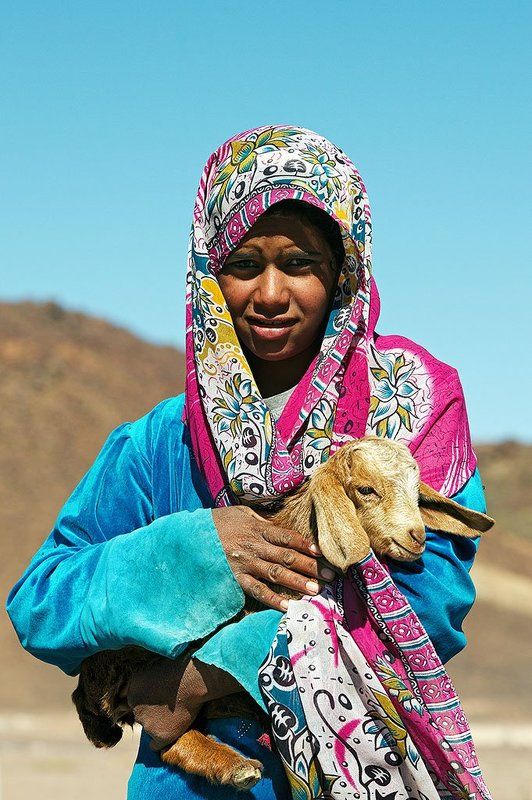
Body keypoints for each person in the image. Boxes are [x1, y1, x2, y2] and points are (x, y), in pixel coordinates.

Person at [6, 126, 487, 799]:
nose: (268, 293)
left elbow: (430, 604)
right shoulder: (159, 442)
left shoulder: (410, 411)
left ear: (344, 268)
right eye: (243, 264)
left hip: (360, 772)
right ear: (208, 272)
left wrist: (205, 677)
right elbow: (41, 604)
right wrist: (196, 552)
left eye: (299, 263)